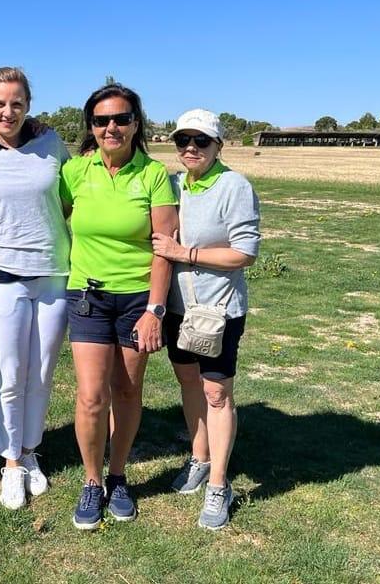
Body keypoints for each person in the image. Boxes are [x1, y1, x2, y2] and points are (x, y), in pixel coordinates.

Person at [59, 83, 178, 530]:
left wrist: (155, 310)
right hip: (87, 296)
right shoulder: (75, 172)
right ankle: (92, 481)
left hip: (136, 301)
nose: (111, 127)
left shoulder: (154, 175)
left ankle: (118, 475)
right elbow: (46, 217)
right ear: (91, 126)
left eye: (121, 119)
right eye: (101, 120)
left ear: (135, 124)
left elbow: (164, 247)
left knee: (127, 391)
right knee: (92, 395)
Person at [0, 67, 70, 510]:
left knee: (41, 373)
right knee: (11, 374)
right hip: (3, 277)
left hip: (54, 274)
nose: (8, 112)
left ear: (29, 105)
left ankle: (29, 451)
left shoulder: (51, 143)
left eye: (17, 103)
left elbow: (67, 200)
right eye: (0, 103)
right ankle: (10, 463)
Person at [151, 109, 260, 530]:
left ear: (219, 146)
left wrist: (186, 254)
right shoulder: (174, 184)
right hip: (179, 307)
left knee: (216, 393)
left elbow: (245, 252)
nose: (191, 148)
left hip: (217, 311)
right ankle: (200, 457)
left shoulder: (234, 186)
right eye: (183, 140)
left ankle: (218, 484)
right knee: (188, 382)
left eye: (201, 141)